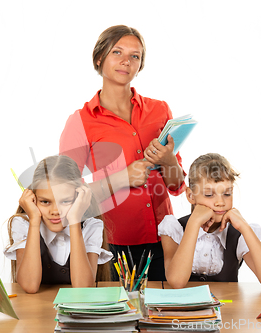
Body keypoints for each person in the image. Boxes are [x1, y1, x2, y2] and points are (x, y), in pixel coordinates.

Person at [59, 25, 186, 281]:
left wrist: (168, 160)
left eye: (135, 56)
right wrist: (122, 178)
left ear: (140, 65)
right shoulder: (81, 122)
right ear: (99, 58)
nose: (126, 61)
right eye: (117, 52)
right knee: (116, 318)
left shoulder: (160, 111)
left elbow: (177, 185)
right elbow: (67, 197)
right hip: (111, 247)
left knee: (162, 316)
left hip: (165, 241)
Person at [159, 153, 261, 290]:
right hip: (184, 311)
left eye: (227, 194)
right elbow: (176, 282)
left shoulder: (237, 234)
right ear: (190, 195)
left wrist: (245, 227)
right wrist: (194, 223)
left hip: (228, 309)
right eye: (209, 195)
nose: (220, 202)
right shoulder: (173, 228)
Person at [4, 155, 112, 293]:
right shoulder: (24, 224)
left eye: (66, 201)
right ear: (33, 199)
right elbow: (29, 286)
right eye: (45, 202)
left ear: (79, 198)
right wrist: (34, 221)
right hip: (36, 312)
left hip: (76, 313)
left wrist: (74, 222)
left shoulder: (91, 226)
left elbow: (83, 288)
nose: (55, 211)